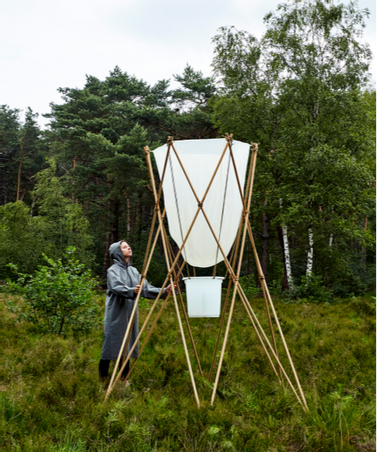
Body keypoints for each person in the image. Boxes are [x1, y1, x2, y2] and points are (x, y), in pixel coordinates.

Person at [99, 240, 175, 384]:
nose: (129, 247)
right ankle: (103, 380)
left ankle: (124, 380)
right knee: (110, 346)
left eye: (128, 245)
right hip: (116, 313)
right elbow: (116, 287)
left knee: (127, 345)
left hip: (130, 313)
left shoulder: (133, 271)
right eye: (124, 247)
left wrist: (164, 291)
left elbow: (145, 288)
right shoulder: (112, 271)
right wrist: (131, 290)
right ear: (117, 252)